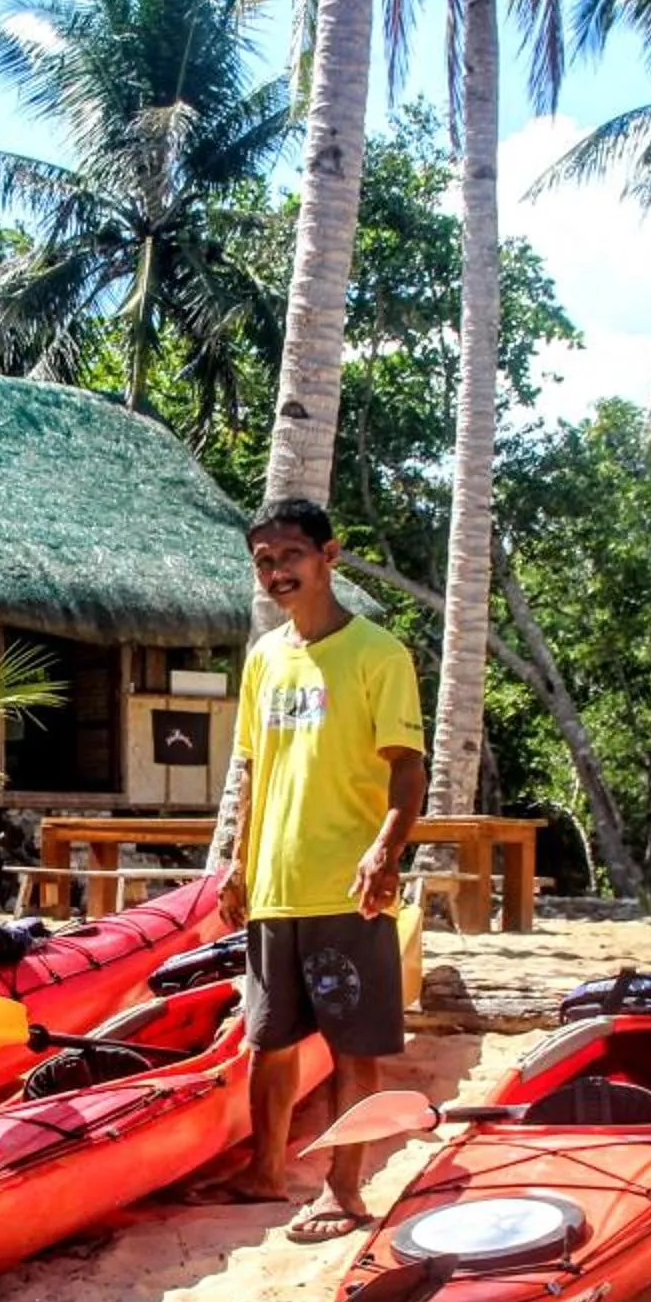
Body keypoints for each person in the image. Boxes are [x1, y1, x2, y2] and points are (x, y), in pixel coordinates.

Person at [217, 496, 427, 1242]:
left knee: (353, 1044)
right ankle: (265, 1170)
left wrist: (385, 850)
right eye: (264, 561)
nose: (277, 571)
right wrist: (237, 867)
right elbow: (250, 770)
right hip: (275, 886)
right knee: (266, 1041)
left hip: (349, 886)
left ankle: (345, 1187)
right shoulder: (265, 659)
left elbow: (407, 771)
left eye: (290, 556)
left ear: (329, 555)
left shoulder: (378, 653)